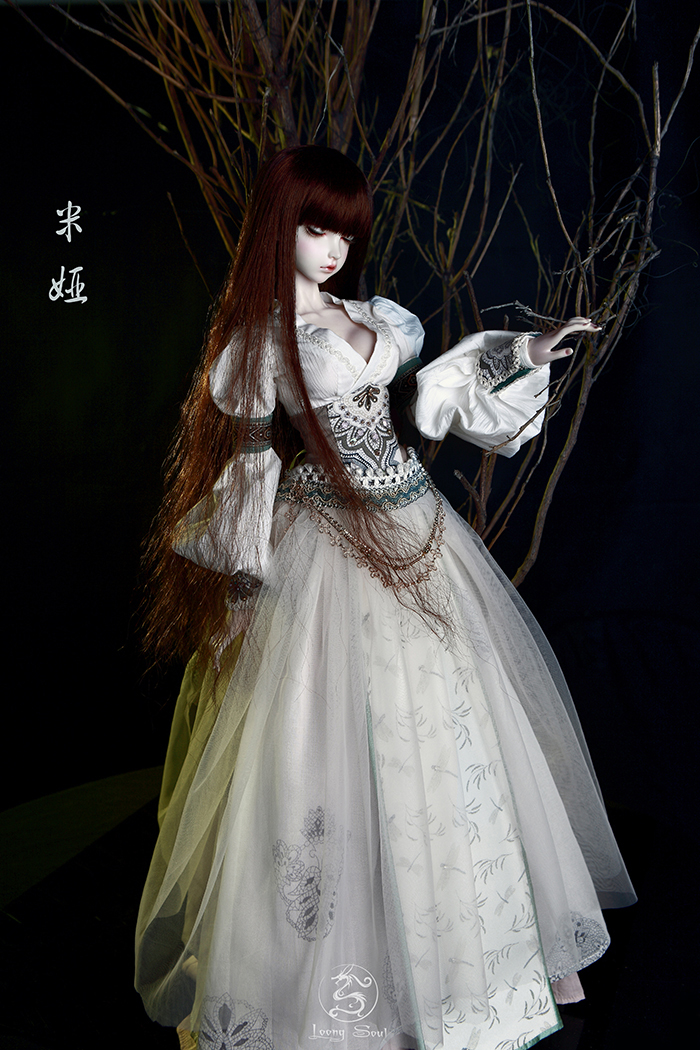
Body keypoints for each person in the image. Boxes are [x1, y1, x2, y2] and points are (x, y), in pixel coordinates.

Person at [135, 145, 635, 1050]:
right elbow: (248, 467)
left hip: (414, 526)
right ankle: (333, 988)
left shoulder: (370, 317)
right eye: (315, 227)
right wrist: (239, 593)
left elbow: (416, 410)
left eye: (345, 233)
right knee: (321, 747)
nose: (333, 248)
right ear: (279, 226)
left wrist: (521, 352)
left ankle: (467, 964)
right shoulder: (258, 343)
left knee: (447, 731)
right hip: (326, 545)